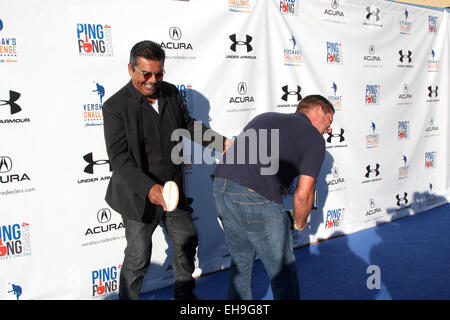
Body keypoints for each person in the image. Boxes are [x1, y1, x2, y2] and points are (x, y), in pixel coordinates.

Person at [103, 40, 229, 300]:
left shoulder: (170, 93)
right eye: (146, 73)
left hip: (173, 191)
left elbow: (189, 126)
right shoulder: (115, 107)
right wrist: (150, 190)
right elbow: (119, 158)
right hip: (138, 196)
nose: (153, 79)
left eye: (159, 73)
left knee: (186, 241)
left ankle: (184, 296)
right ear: (130, 69)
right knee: (138, 257)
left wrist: (223, 143)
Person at [211, 95, 334, 300]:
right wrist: (300, 223)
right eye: (329, 123)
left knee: (241, 260)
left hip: (221, 187)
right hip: (254, 195)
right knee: (282, 269)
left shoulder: (265, 117)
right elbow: (303, 195)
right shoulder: (314, 137)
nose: (328, 130)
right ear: (318, 110)